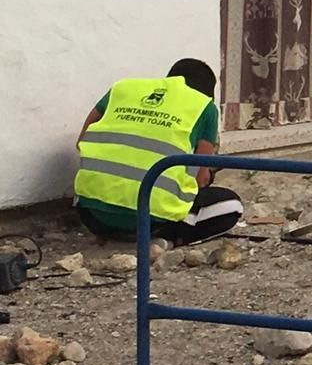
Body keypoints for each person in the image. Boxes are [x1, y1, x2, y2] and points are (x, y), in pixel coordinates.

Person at [74, 59, 244, 248]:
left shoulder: (122, 89)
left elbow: (81, 142)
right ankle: (168, 239)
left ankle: (113, 237)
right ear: (208, 93)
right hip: (151, 223)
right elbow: (200, 179)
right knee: (231, 206)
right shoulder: (204, 107)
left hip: (92, 216)